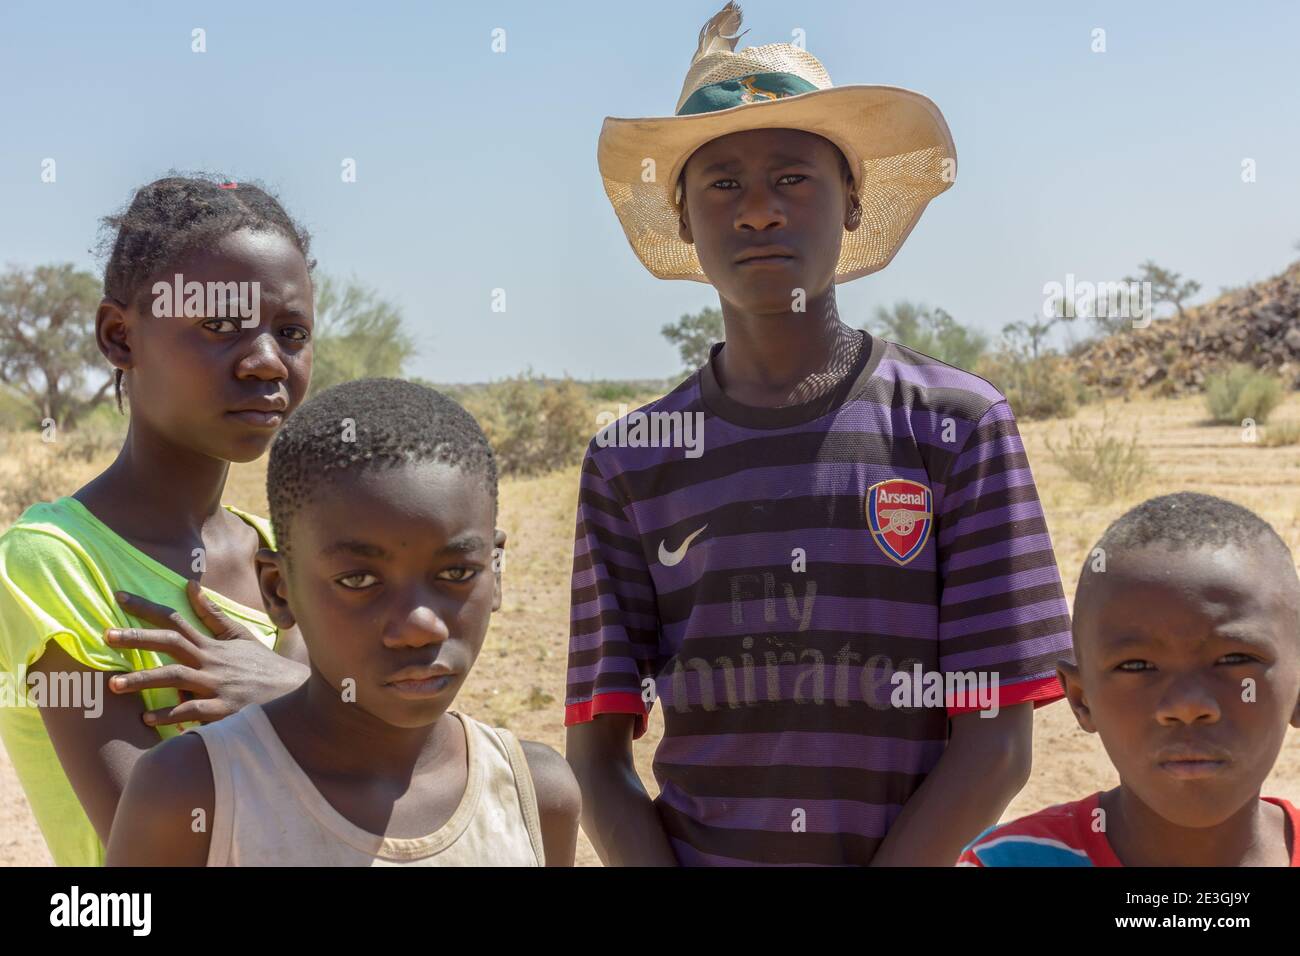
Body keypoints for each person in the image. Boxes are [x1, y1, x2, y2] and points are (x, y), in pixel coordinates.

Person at [565, 3, 1073, 865]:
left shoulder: (956, 428)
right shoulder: (631, 461)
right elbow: (597, 753)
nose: (759, 210)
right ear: (683, 217)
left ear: (853, 203)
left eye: (794, 177)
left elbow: (996, 745)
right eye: (722, 183)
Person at [107, 379, 581, 866]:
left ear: (496, 572)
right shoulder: (194, 790)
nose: (420, 626)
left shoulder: (535, 796)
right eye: (359, 580)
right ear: (278, 590)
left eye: (456, 573)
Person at [0, 175, 314, 866]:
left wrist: (294, 696)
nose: (267, 362)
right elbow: (154, 849)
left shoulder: (285, 555)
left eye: (290, 332)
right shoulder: (55, 562)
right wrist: (309, 709)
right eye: (221, 326)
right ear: (119, 336)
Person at [960, 492, 1299, 867]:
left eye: (1235, 659)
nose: (1186, 706)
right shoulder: (1004, 863)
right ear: (1080, 698)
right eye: (1137, 666)